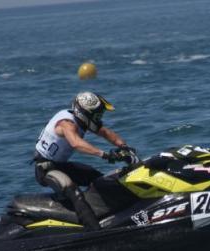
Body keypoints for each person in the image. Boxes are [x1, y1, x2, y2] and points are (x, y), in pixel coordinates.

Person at [33, 91, 137, 230]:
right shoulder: (67, 124)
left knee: (99, 179)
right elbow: (76, 143)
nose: (100, 118)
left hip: (61, 166)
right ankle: (95, 232)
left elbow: (106, 133)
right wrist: (105, 155)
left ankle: (116, 214)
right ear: (85, 114)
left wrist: (124, 147)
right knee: (74, 192)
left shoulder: (82, 120)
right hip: (46, 169)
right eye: (97, 115)